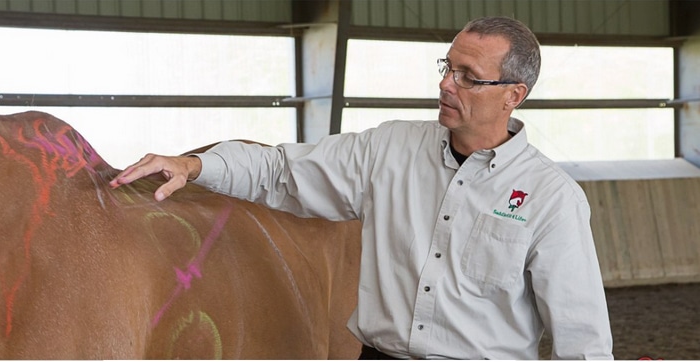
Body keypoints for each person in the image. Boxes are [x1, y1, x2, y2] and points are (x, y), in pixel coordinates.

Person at [110, 16, 613, 360]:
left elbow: (583, 340)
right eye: (447, 68)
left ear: (513, 96)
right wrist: (195, 165)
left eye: (468, 77)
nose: (446, 85)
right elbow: (279, 171)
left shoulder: (551, 199)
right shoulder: (388, 149)